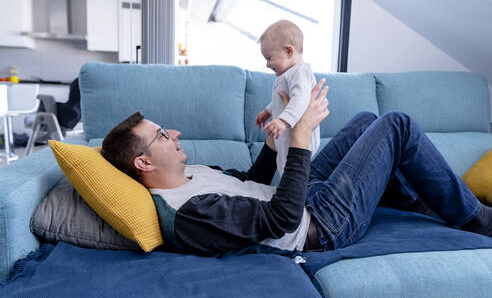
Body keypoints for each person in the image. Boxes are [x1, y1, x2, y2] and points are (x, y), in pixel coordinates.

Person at [101, 79, 492, 255]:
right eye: (161, 135)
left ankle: (411, 202)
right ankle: (476, 219)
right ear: (144, 162)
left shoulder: (195, 174)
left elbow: (250, 184)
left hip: (304, 198)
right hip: (319, 224)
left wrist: (273, 142)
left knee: (363, 119)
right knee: (396, 124)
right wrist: (301, 135)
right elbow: (282, 220)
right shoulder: (189, 213)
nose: (174, 132)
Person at [255, 20, 320, 176]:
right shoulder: (287, 75)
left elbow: (301, 99)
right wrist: (268, 111)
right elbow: (280, 100)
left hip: (297, 133)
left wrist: (283, 121)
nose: (267, 65)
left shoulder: (300, 73)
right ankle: (287, 190)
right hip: (287, 129)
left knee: (287, 165)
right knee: (282, 162)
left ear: (289, 51)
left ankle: (289, 193)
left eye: (269, 58)